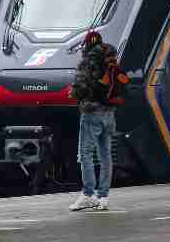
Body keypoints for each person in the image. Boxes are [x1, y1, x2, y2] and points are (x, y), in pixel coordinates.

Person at [68, 31, 127, 211]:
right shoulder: (111, 58)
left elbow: (81, 85)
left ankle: (88, 194)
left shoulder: (89, 60)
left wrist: (73, 94)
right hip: (110, 112)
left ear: (87, 44)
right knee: (105, 155)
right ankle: (103, 197)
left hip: (92, 111)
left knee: (85, 154)